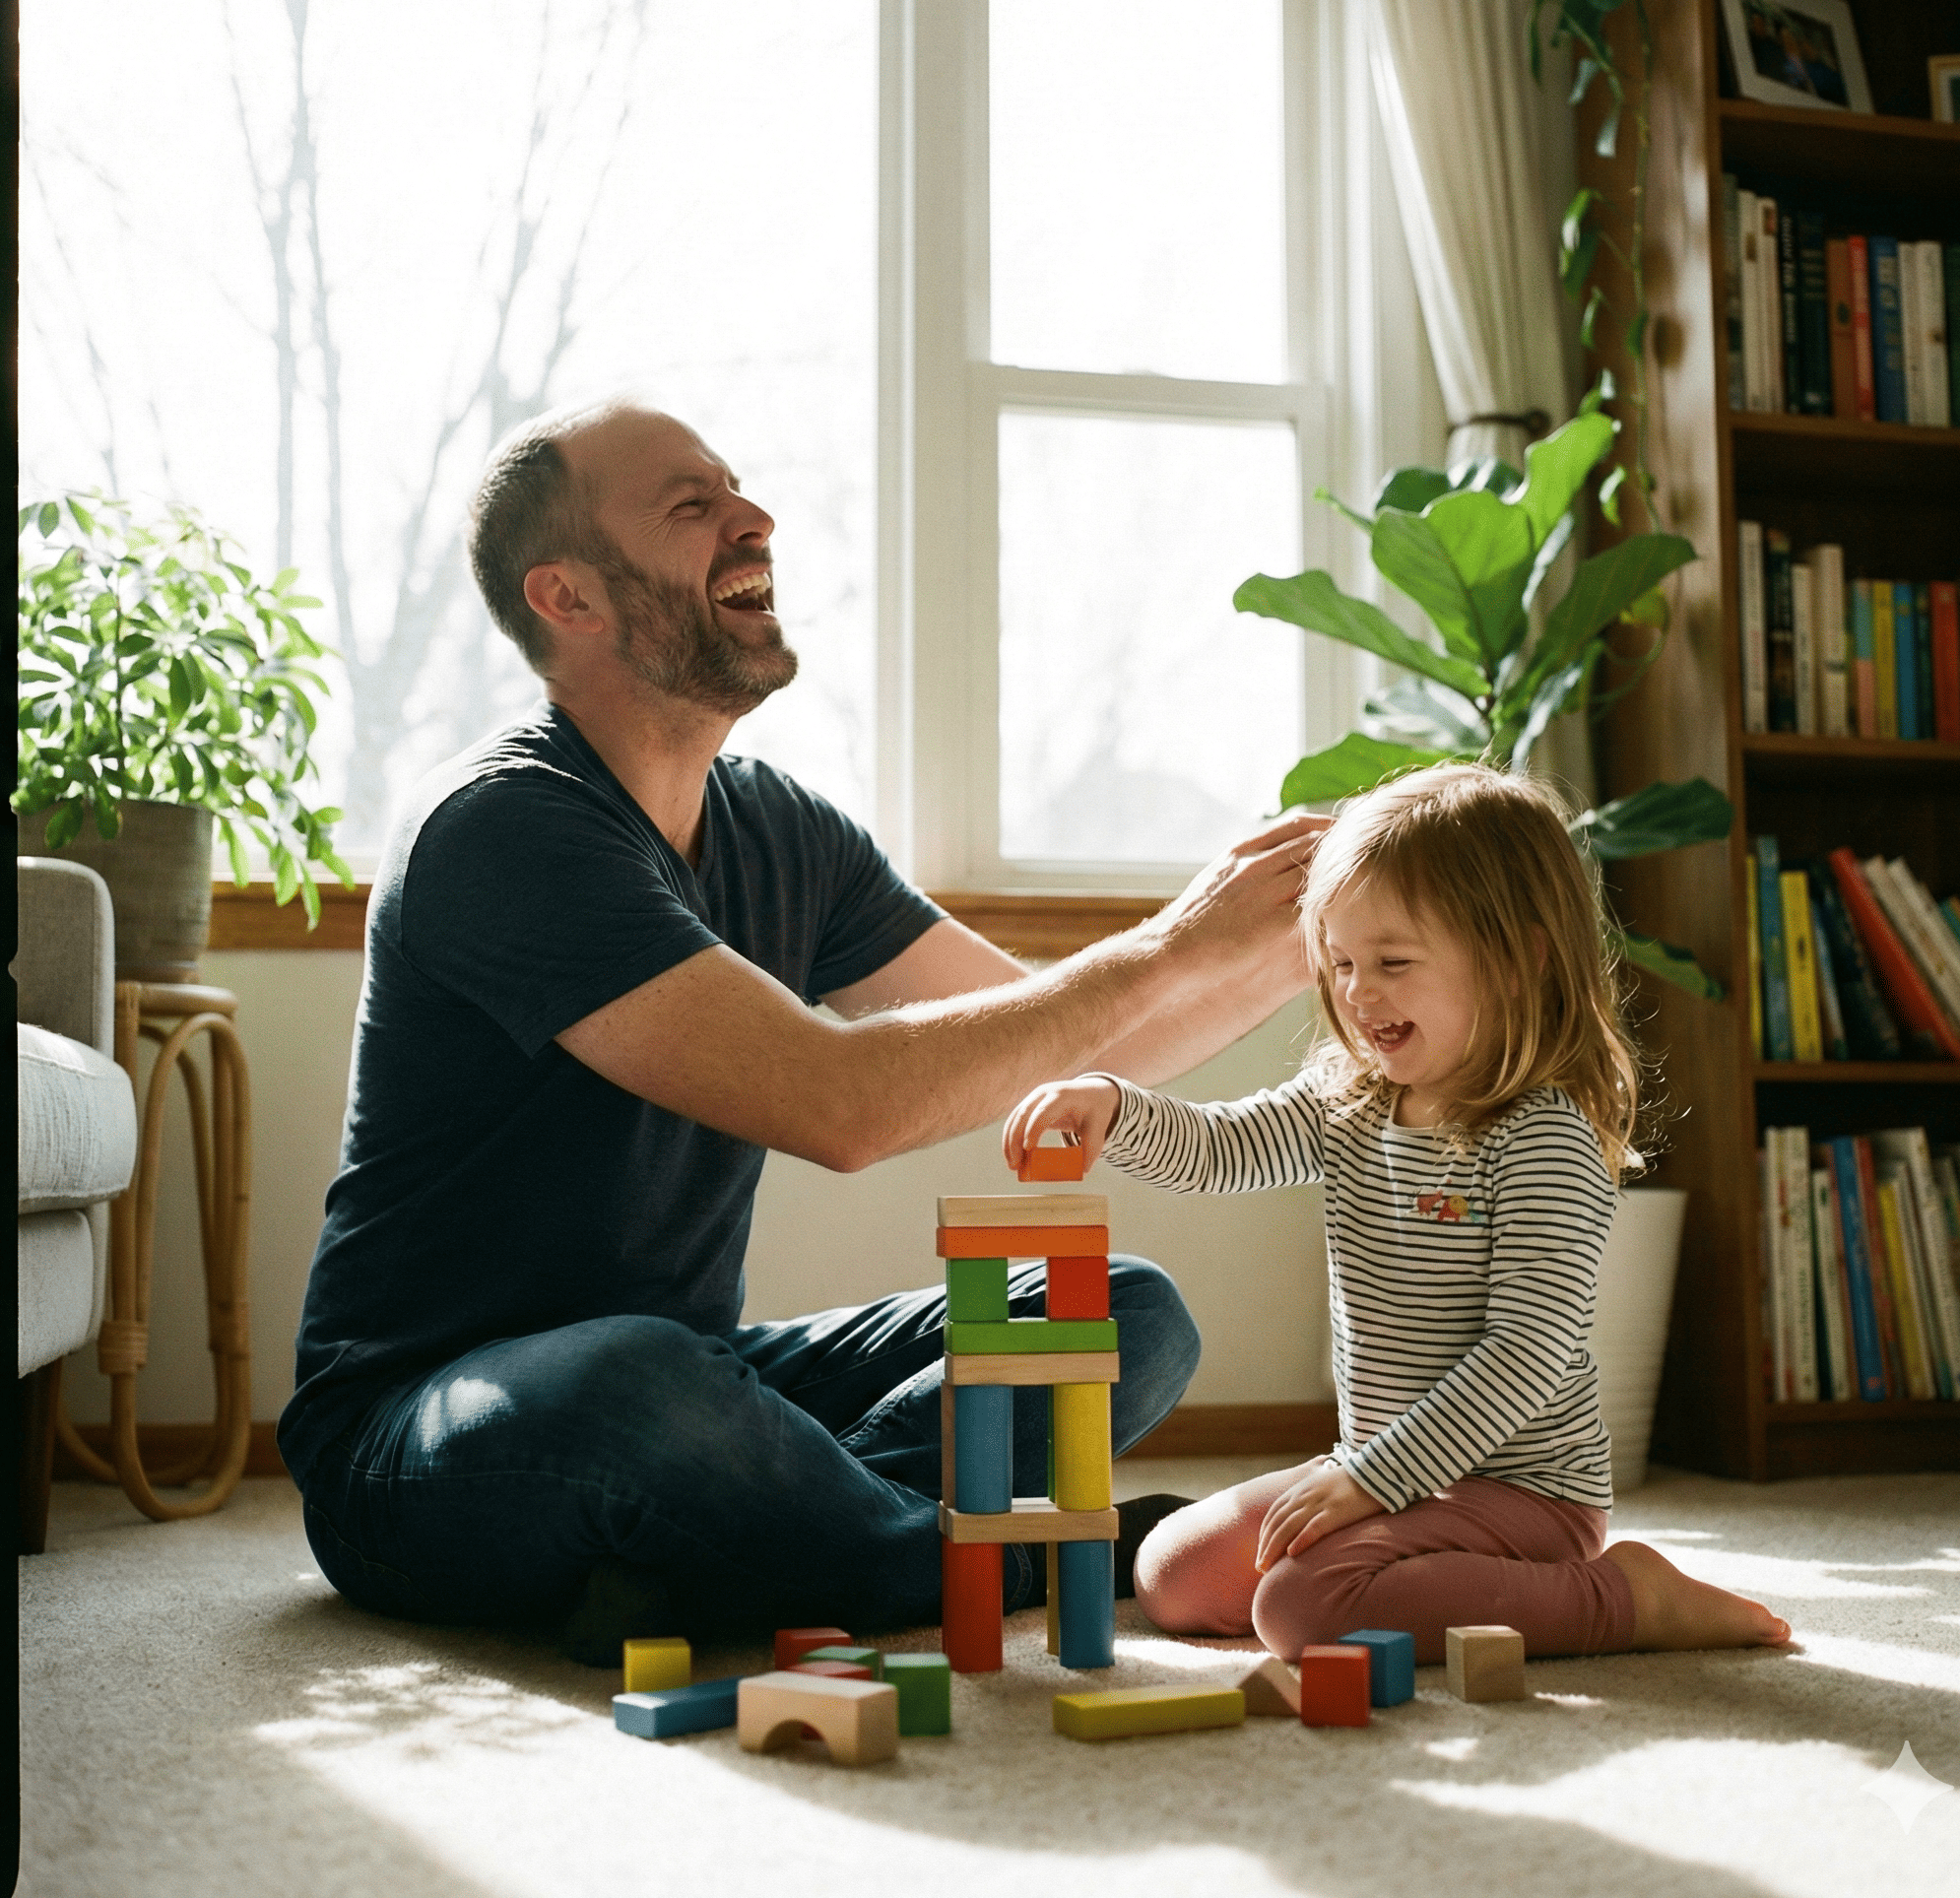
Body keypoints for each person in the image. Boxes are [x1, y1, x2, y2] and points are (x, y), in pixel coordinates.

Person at [278, 399, 1325, 1661]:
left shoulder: (780, 828)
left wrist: (1308, 953)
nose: (753, 517)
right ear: (567, 597)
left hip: (698, 1378)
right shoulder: (503, 828)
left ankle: (741, 1548)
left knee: (1114, 1310)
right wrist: (1165, 941)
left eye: (737, 487)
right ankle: (1016, 1547)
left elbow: (1059, 1054)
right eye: (689, 504)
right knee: (634, 1379)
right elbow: (841, 1104)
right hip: (427, 1436)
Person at [1003, 762, 1794, 1664]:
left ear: (1521, 956)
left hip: (1524, 1491)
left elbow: (1526, 1353)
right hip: (1389, 1473)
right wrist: (1115, 1106)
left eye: (1393, 963)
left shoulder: (1544, 1138)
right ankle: (1400, 1558)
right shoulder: (1352, 1100)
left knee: (1304, 1612)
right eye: (1338, 962)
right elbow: (1226, 1149)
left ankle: (1622, 1598)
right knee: (1175, 1573)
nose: (1356, 993)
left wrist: (1371, 1480)